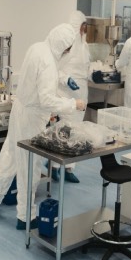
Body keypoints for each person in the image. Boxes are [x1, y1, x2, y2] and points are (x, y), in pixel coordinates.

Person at [0, 23, 87, 229]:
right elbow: (47, 99)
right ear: (61, 45)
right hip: (31, 117)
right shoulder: (48, 61)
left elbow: (45, 72)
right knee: (29, 166)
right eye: (67, 49)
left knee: (11, 154)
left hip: (20, 109)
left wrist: (65, 78)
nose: (67, 52)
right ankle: (25, 217)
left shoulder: (38, 48)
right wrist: (72, 104)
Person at [50, 11, 90, 183]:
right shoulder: (67, 45)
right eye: (83, 25)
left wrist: (92, 74)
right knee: (62, 130)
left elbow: (86, 68)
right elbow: (55, 69)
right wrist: (66, 79)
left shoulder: (84, 46)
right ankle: (54, 166)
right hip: (65, 93)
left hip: (81, 93)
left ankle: (69, 168)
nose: (84, 29)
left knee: (76, 131)